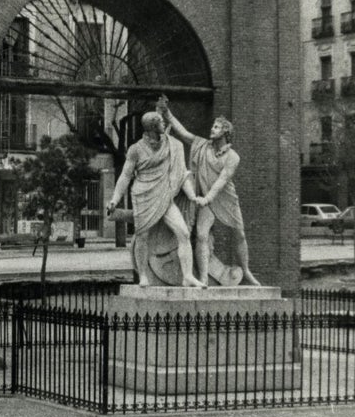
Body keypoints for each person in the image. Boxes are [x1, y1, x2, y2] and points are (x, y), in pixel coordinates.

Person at [162, 102, 261, 286]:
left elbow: (222, 181)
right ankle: (204, 277)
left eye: (216, 127)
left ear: (225, 132)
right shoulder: (203, 146)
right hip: (205, 201)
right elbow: (184, 134)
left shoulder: (233, 157)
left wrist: (207, 199)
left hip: (225, 199)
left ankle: (246, 271)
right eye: (213, 126)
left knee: (239, 234)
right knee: (201, 235)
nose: (212, 129)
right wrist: (168, 115)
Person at [105, 109, 205, 288]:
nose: (164, 123)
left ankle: (187, 276)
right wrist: (114, 199)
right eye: (161, 121)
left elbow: (181, 174)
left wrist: (192, 196)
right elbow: (126, 176)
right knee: (142, 236)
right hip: (143, 196)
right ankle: (143, 275)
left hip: (165, 196)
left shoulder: (174, 145)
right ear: (152, 126)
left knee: (183, 233)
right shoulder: (136, 149)